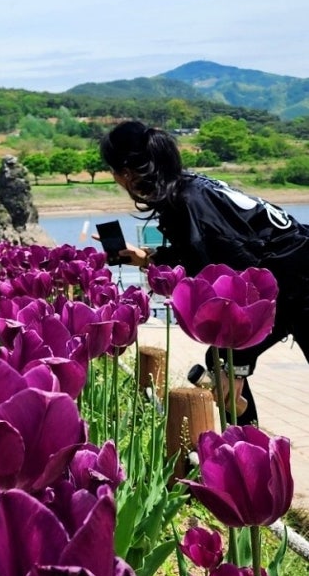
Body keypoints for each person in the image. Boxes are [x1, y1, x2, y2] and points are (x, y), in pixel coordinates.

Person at [99, 119, 309, 425]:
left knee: (226, 359)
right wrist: (147, 259)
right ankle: (248, 451)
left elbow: (241, 276)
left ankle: (248, 453)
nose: (115, 178)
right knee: (222, 358)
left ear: (127, 173)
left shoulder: (186, 204)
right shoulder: (188, 188)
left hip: (298, 284)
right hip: (294, 278)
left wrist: (237, 364)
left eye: (113, 170)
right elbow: (209, 254)